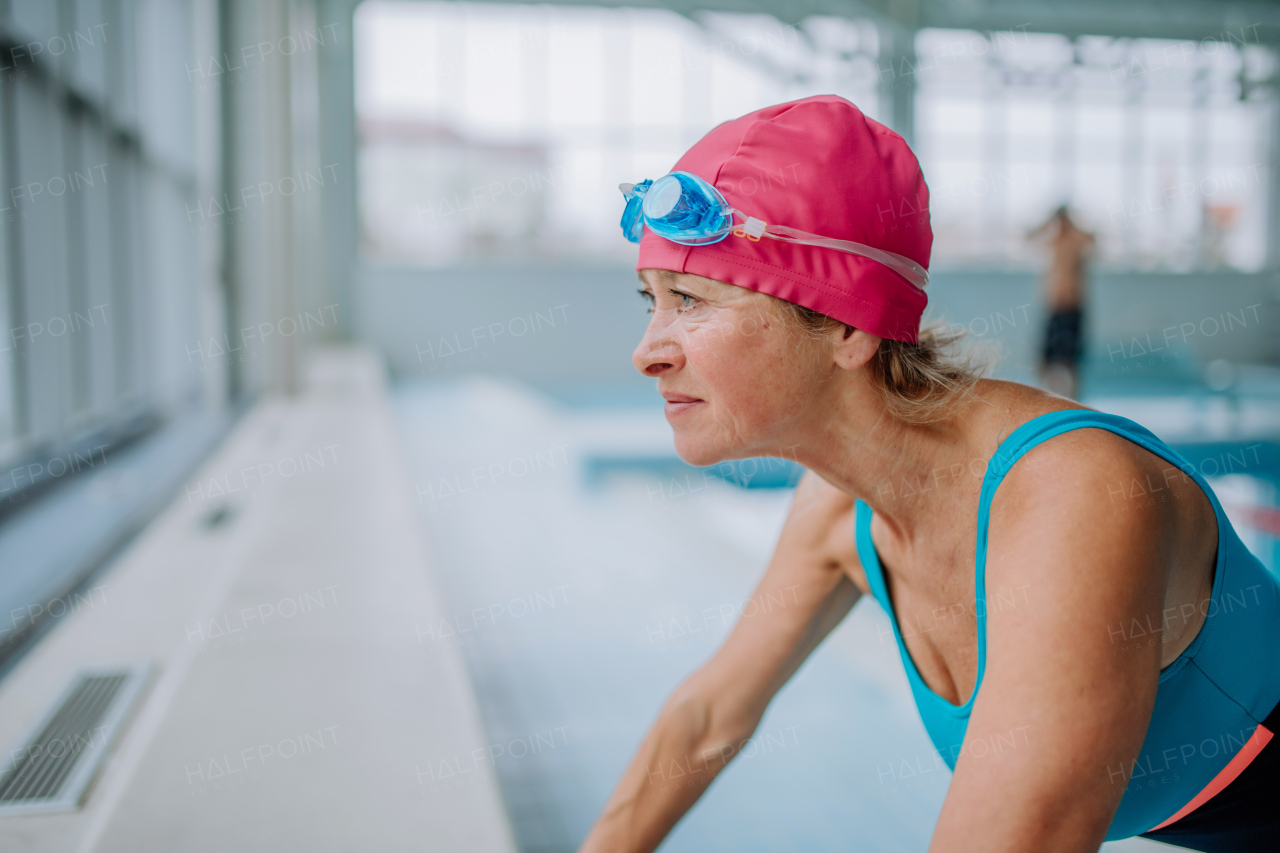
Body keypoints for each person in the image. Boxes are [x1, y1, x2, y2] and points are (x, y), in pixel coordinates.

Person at [578, 95, 1280, 853]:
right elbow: (708, 717)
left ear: (847, 325)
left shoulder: (1071, 497)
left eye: (690, 300)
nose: (648, 350)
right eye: (652, 301)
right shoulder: (837, 508)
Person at [1027, 205, 1095, 400]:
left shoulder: (1077, 242)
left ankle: (1075, 400)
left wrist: (1073, 224)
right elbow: (1028, 237)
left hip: (1071, 309)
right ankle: (1043, 398)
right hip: (1053, 308)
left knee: (1071, 361)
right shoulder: (1054, 241)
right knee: (1044, 360)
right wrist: (1048, 221)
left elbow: (1094, 240)